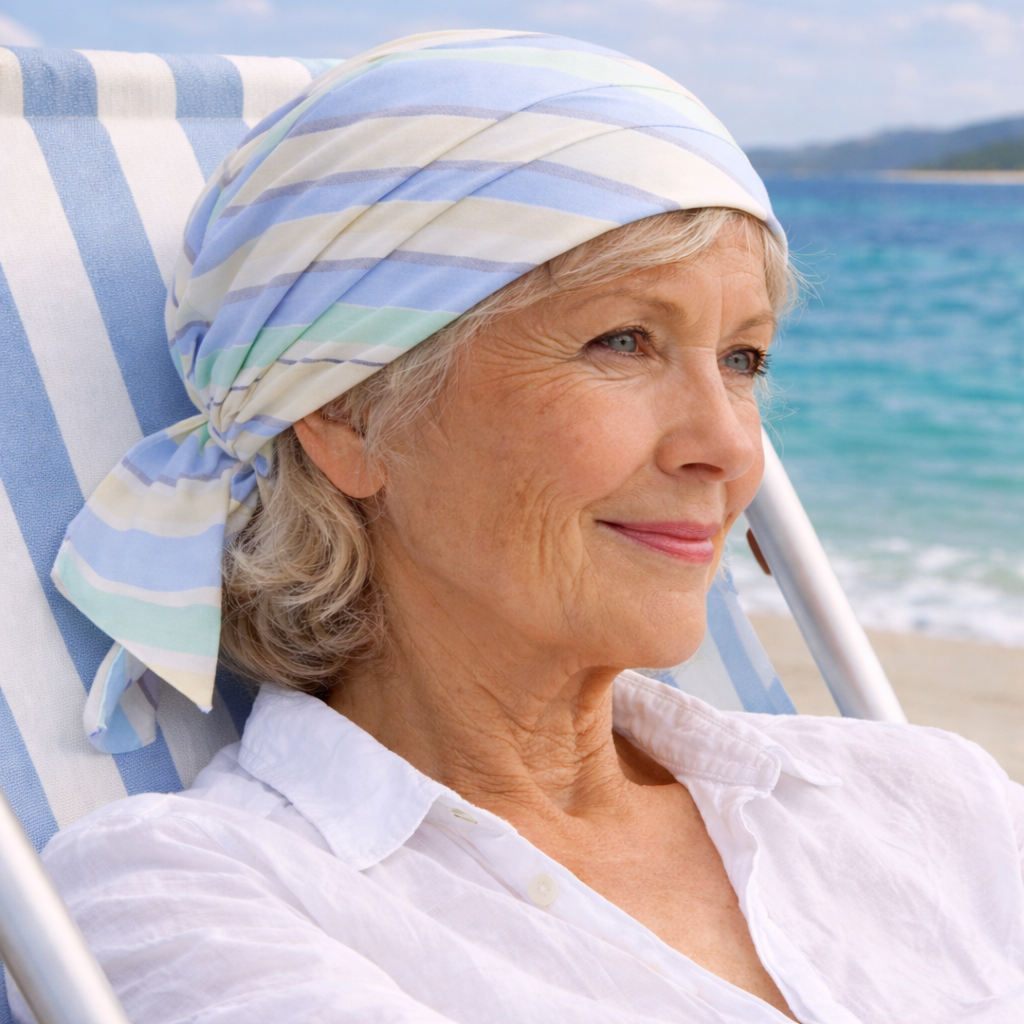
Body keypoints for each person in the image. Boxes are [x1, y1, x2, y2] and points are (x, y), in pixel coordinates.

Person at [17, 29, 1024, 1024]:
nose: (728, 445)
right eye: (623, 341)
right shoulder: (196, 899)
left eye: (743, 358)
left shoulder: (928, 797)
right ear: (345, 413)